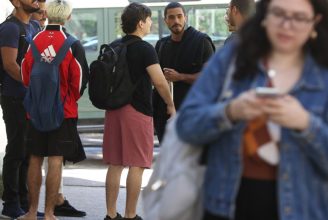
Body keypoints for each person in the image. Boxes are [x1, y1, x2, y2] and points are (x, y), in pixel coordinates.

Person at [176, 0, 328, 219]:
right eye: (279, 13)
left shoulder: (324, 73)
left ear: (316, 21)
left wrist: (306, 123)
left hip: (304, 208)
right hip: (226, 204)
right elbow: (187, 125)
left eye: (299, 17)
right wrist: (230, 111)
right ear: (265, 15)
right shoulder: (231, 59)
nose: (287, 25)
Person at [102, 3, 175, 220]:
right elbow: (160, 82)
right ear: (141, 22)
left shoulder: (115, 45)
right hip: (137, 111)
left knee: (115, 163)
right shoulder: (145, 49)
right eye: (150, 19)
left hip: (113, 110)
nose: (152, 23)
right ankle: (130, 215)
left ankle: (110, 214)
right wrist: (170, 104)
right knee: (138, 164)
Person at [19, 0, 89, 219]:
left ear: (46, 13)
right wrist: (67, 100)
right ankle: (49, 213)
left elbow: (25, 75)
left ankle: (31, 212)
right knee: (56, 159)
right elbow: (79, 81)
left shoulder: (35, 40)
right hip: (63, 112)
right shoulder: (72, 43)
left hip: (35, 111)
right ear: (68, 17)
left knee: (35, 158)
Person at [0, 0, 40, 218]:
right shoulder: (10, 28)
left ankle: (26, 205)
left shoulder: (34, 27)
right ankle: (10, 204)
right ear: (15, 2)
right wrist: (32, 84)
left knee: (29, 152)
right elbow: (9, 64)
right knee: (17, 150)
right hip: (14, 97)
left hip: (33, 98)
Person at [153, 2, 215, 143]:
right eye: (172, 17)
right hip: (165, 115)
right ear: (165, 21)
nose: (176, 21)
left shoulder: (201, 41)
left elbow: (209, 78)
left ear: (185, 18)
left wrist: (179, 77)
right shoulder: (161, 45)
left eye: (179, 16)